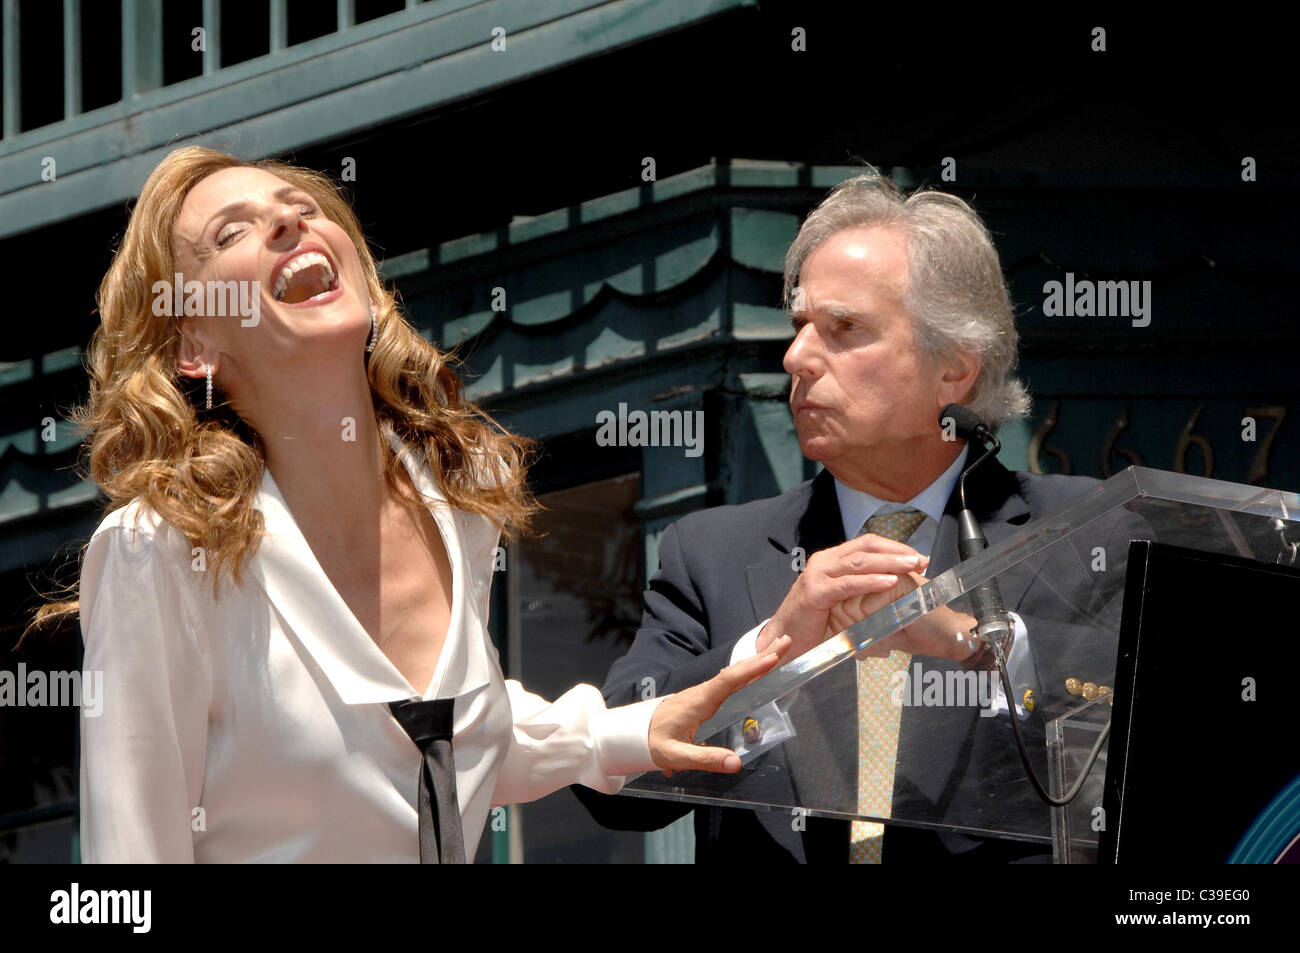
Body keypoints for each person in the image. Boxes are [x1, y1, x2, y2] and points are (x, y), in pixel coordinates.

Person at [31, 146, 790, 863]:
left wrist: (631, 730)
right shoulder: (159, 551)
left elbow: (457, 732)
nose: (290, 221)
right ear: (194, 343)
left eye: (303, 206)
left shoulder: (459, 504)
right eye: (233, 231)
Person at [575, 169, 1136, 863]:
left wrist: (972, 642)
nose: (796, 357)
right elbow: (608, 783)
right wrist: (765, 651)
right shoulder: (710, 552)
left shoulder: (1089, 531)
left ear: (954, 368)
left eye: (843, 330)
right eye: (800, 325)